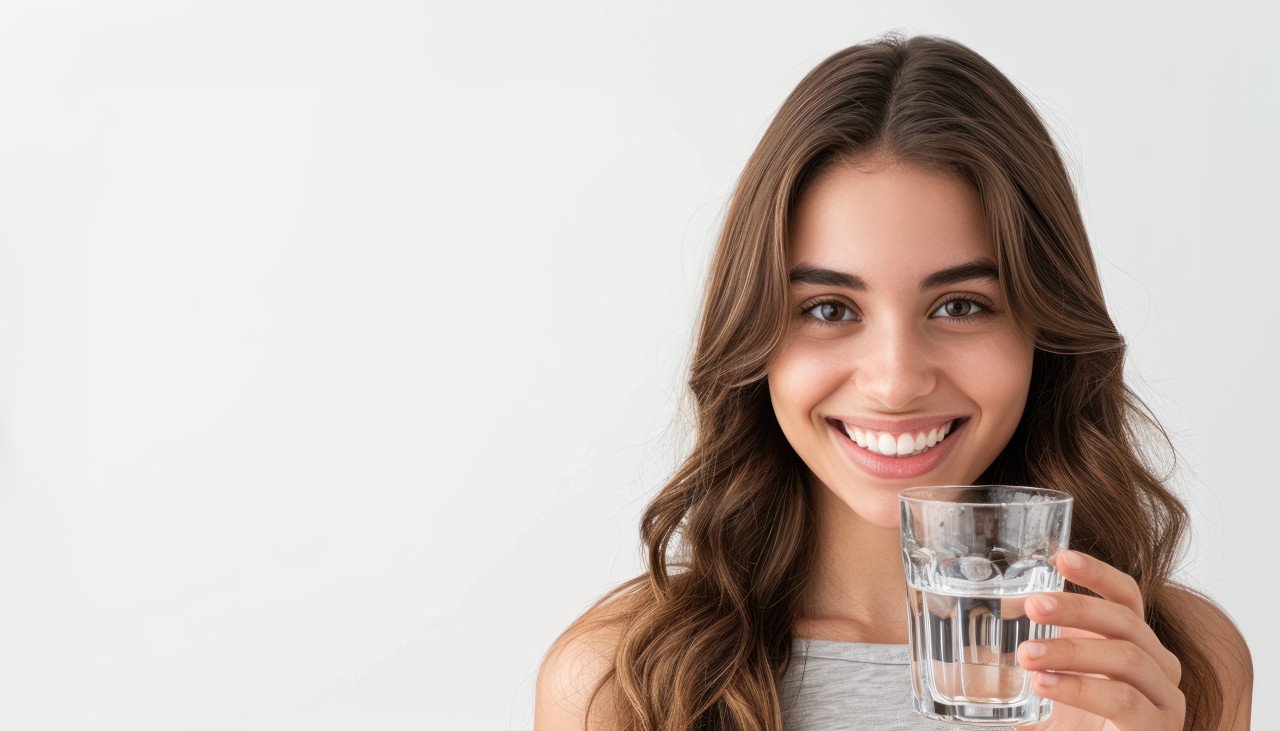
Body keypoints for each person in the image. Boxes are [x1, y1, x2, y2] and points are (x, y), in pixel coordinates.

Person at [534, 32, 1252, 730]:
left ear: (1046, 328)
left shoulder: (1177, 663)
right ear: (754, 336)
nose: (896, 381)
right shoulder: (617, 682)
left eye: (961, 305)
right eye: (828, 309)